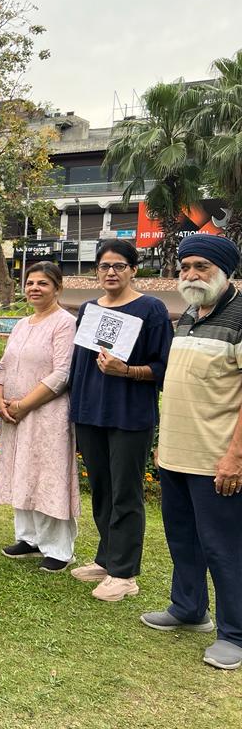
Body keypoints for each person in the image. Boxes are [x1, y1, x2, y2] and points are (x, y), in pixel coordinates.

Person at [142, 234, 242, 670]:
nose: (191, 275)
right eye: (185, 267)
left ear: (225, 271)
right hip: (177, 455)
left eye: (201, 267)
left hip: (217, 459)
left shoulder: (239, 317)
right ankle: (188, 608)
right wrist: (166, 441)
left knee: (223, 547)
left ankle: (234, 634)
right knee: (182, 538)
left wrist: (235, 456)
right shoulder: (188, 315)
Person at [68, 239, 171, 602]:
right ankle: (107, 558)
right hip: (90, 413)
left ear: (134, 269)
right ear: (96, 271)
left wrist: (126, 371)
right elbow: (79, 365)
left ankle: (124, 573)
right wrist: (76, 409)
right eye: (104, 266)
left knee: (125, 492)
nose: (111, 272)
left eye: (119, 266)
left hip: (130, 415)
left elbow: (164, 367)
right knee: (101, 488)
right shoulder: (89, 308)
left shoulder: (151, 309)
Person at [0, 261, 79, 572]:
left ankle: (58, 547)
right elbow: (4, 365)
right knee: (22, 471)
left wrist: (25, 404)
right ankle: (28, 538)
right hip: (14, 412)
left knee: (49, 475)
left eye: (42, 283)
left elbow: (63, 373)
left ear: (57, 288)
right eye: (30, 283)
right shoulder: (21, 324)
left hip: (47, 413)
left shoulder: (64, 323)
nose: (35, 289)